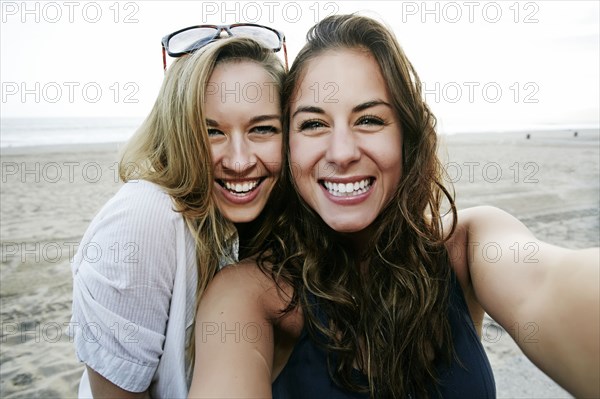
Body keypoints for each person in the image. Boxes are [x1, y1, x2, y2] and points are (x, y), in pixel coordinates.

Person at [187, 14, 600, 399]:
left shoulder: (471, 246)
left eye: (369, 120)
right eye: (313, 124)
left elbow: (549, 285)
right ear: (288, 143)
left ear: (408, 135)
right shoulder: (246, 295)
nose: (342, 152)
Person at [70, 24, 287, 398]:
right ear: (179, 133)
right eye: (211, 132)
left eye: (262, 129)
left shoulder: (285, 218)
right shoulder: (143, 220)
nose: (239, 162)